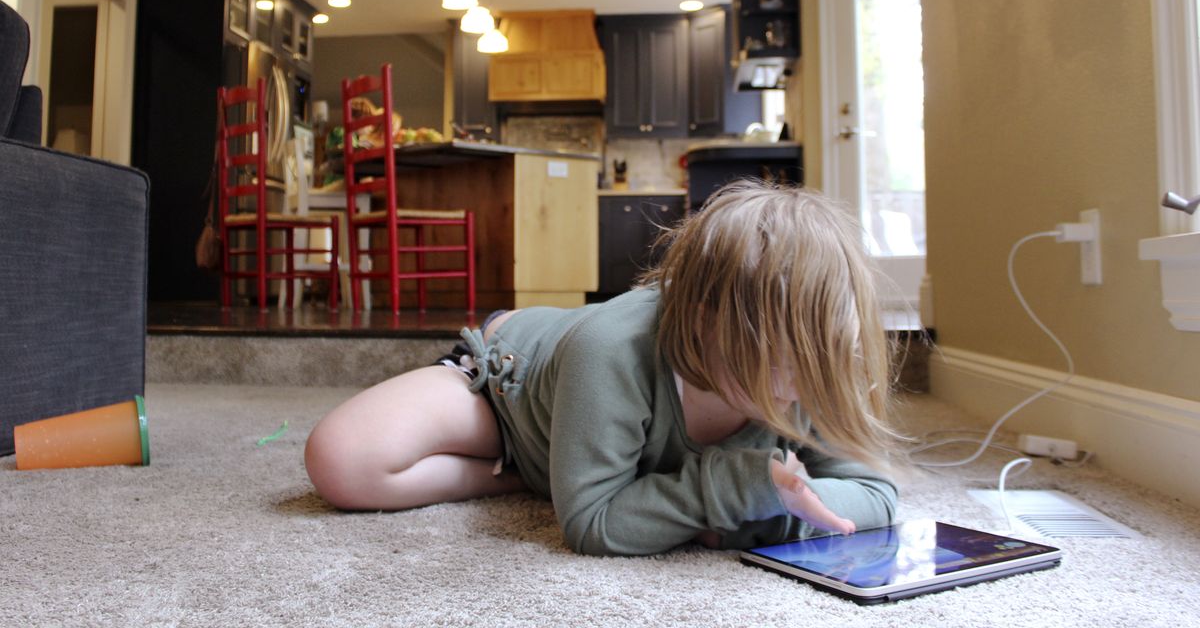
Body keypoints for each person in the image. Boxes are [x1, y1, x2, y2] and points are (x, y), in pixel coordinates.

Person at [305, 180, 903, 556]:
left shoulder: (814, 363)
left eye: (829, 351)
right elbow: (592, 526)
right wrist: (734, 489)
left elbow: (877, 496)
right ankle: (535, 473)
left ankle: (573, 469)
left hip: (587, 410)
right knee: (342, 461)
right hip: (509, 388)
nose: (811, 381)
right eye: (785, 355)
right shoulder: (611, 349)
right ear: (702, 322)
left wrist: (767, 513)